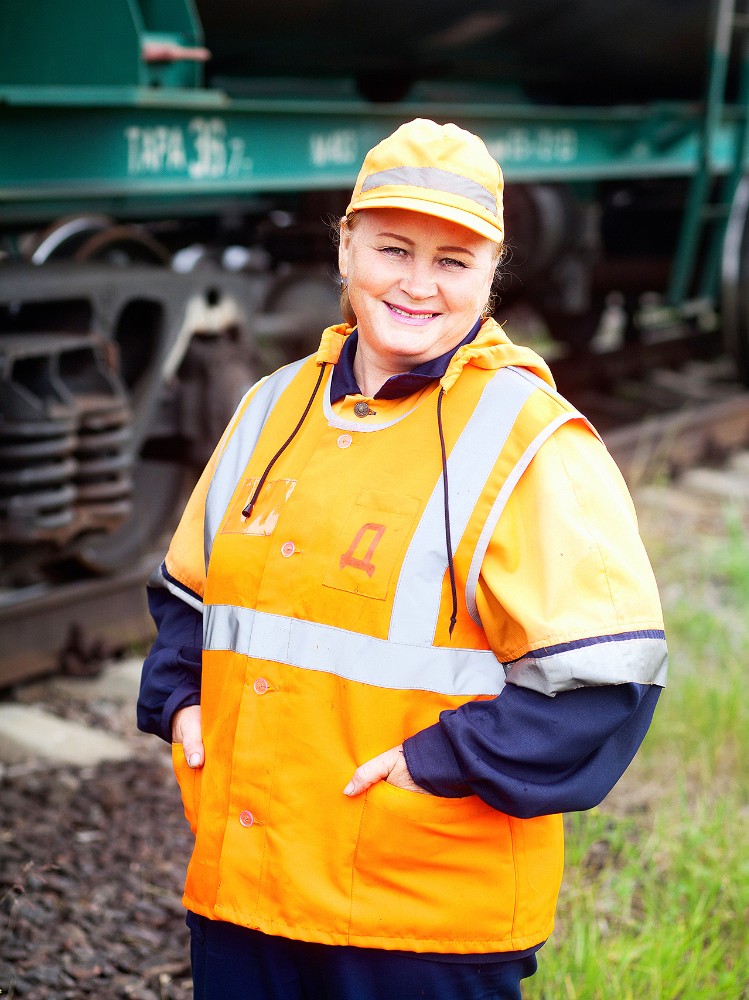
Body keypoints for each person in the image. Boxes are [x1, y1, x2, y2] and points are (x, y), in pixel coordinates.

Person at [138, 118, 667, 1000]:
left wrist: (433, 765)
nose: (417, 285)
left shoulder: (528, 440)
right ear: (344, 248)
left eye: (452, 262)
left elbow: (603, 684)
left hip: (414, 918)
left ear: (490, 275)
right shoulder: (273, 406)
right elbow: (190, 594)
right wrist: (179, 699)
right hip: (245, 885)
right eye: (392, 248)